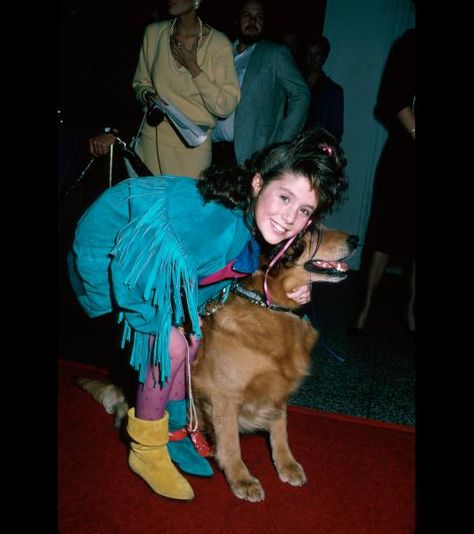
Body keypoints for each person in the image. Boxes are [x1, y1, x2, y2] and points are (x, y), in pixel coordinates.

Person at [68, 127, 348, 500]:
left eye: (303, 211)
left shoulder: (257, 223)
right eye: (284, 197)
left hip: (167, 265)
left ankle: (178, 428)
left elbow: (254, 273)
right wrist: (171, 321)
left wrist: (303, 286)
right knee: (171, 347)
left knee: (193, 341)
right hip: (114, 254)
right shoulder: (214, 223)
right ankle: (146, 450)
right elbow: (155, 259)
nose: (288, 217)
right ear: (257, 183)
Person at [89, 0, 240, 179]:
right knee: (147, 205)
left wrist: (193, 67)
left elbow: (225, 107)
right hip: (152, 139)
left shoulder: (219, 44)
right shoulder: (153, 34)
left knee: (184, 205)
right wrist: (148, 95)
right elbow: (140, 84)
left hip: (193, 148)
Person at [352, 29, 415, 333]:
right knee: (385, 231)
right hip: (406, 151)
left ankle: (411, 309)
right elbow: (392, 98)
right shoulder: (410, 43)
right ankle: (365, 305)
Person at [211, 0, 310, 166]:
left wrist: (280, 144)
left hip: (249, 156)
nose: (252, 21)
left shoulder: (275, 53)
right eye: (247, 15)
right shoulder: (222, 52)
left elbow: (301, 95)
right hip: (210, 149)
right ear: (237, 20)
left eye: (259, 17)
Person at [303, 35, 344, 144]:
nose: (312, 59)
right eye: (309, 54)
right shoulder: (295, 84)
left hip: (314, 149)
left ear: (324, 57)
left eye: (316, 54)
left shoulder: (333, 91)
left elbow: (335, 131)